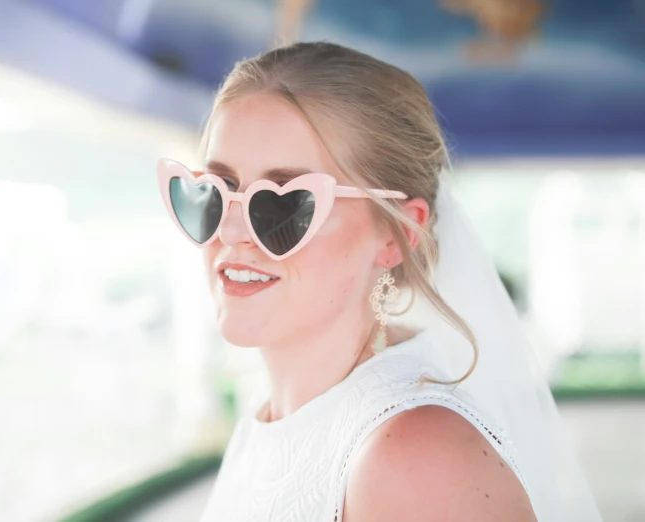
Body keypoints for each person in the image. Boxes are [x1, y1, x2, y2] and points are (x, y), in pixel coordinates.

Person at [156, 41, 601, 521]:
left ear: (397, 232)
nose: (232, 231)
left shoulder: (415, 458)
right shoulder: (266, 424)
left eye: (284, 204)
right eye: (215, 191)